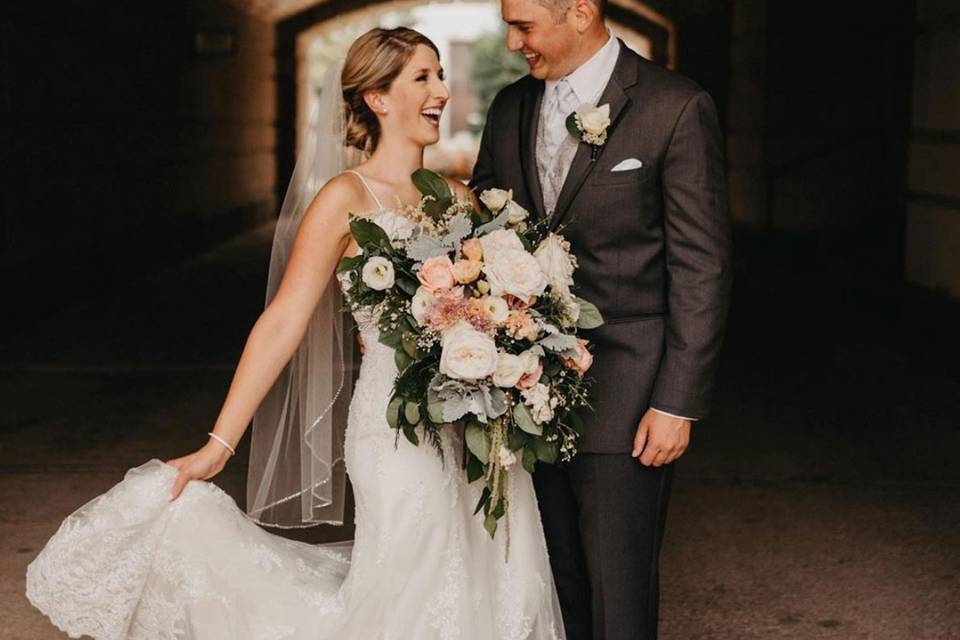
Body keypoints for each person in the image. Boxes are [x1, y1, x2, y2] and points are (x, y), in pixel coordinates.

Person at [25, 27, 565, 640]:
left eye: (440, 74)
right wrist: (218, 445)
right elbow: (283, 320)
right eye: (423, 77)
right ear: (377, 99)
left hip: (475, 430)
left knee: (493, 580)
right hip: (395, 433)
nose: (442, 90)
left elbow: (499, 310)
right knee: (412, 582)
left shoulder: (462, 202)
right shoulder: (343, 198)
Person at [470, 0, 733, 638]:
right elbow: (479, 224)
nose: (512, 42)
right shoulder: (510, 108)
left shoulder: (675, 107)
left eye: (524, 25)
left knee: (618, 587)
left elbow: (702, 267)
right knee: (556, 582)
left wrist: (677, 402)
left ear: (581, 12)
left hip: (629, 391)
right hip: (525, 388)